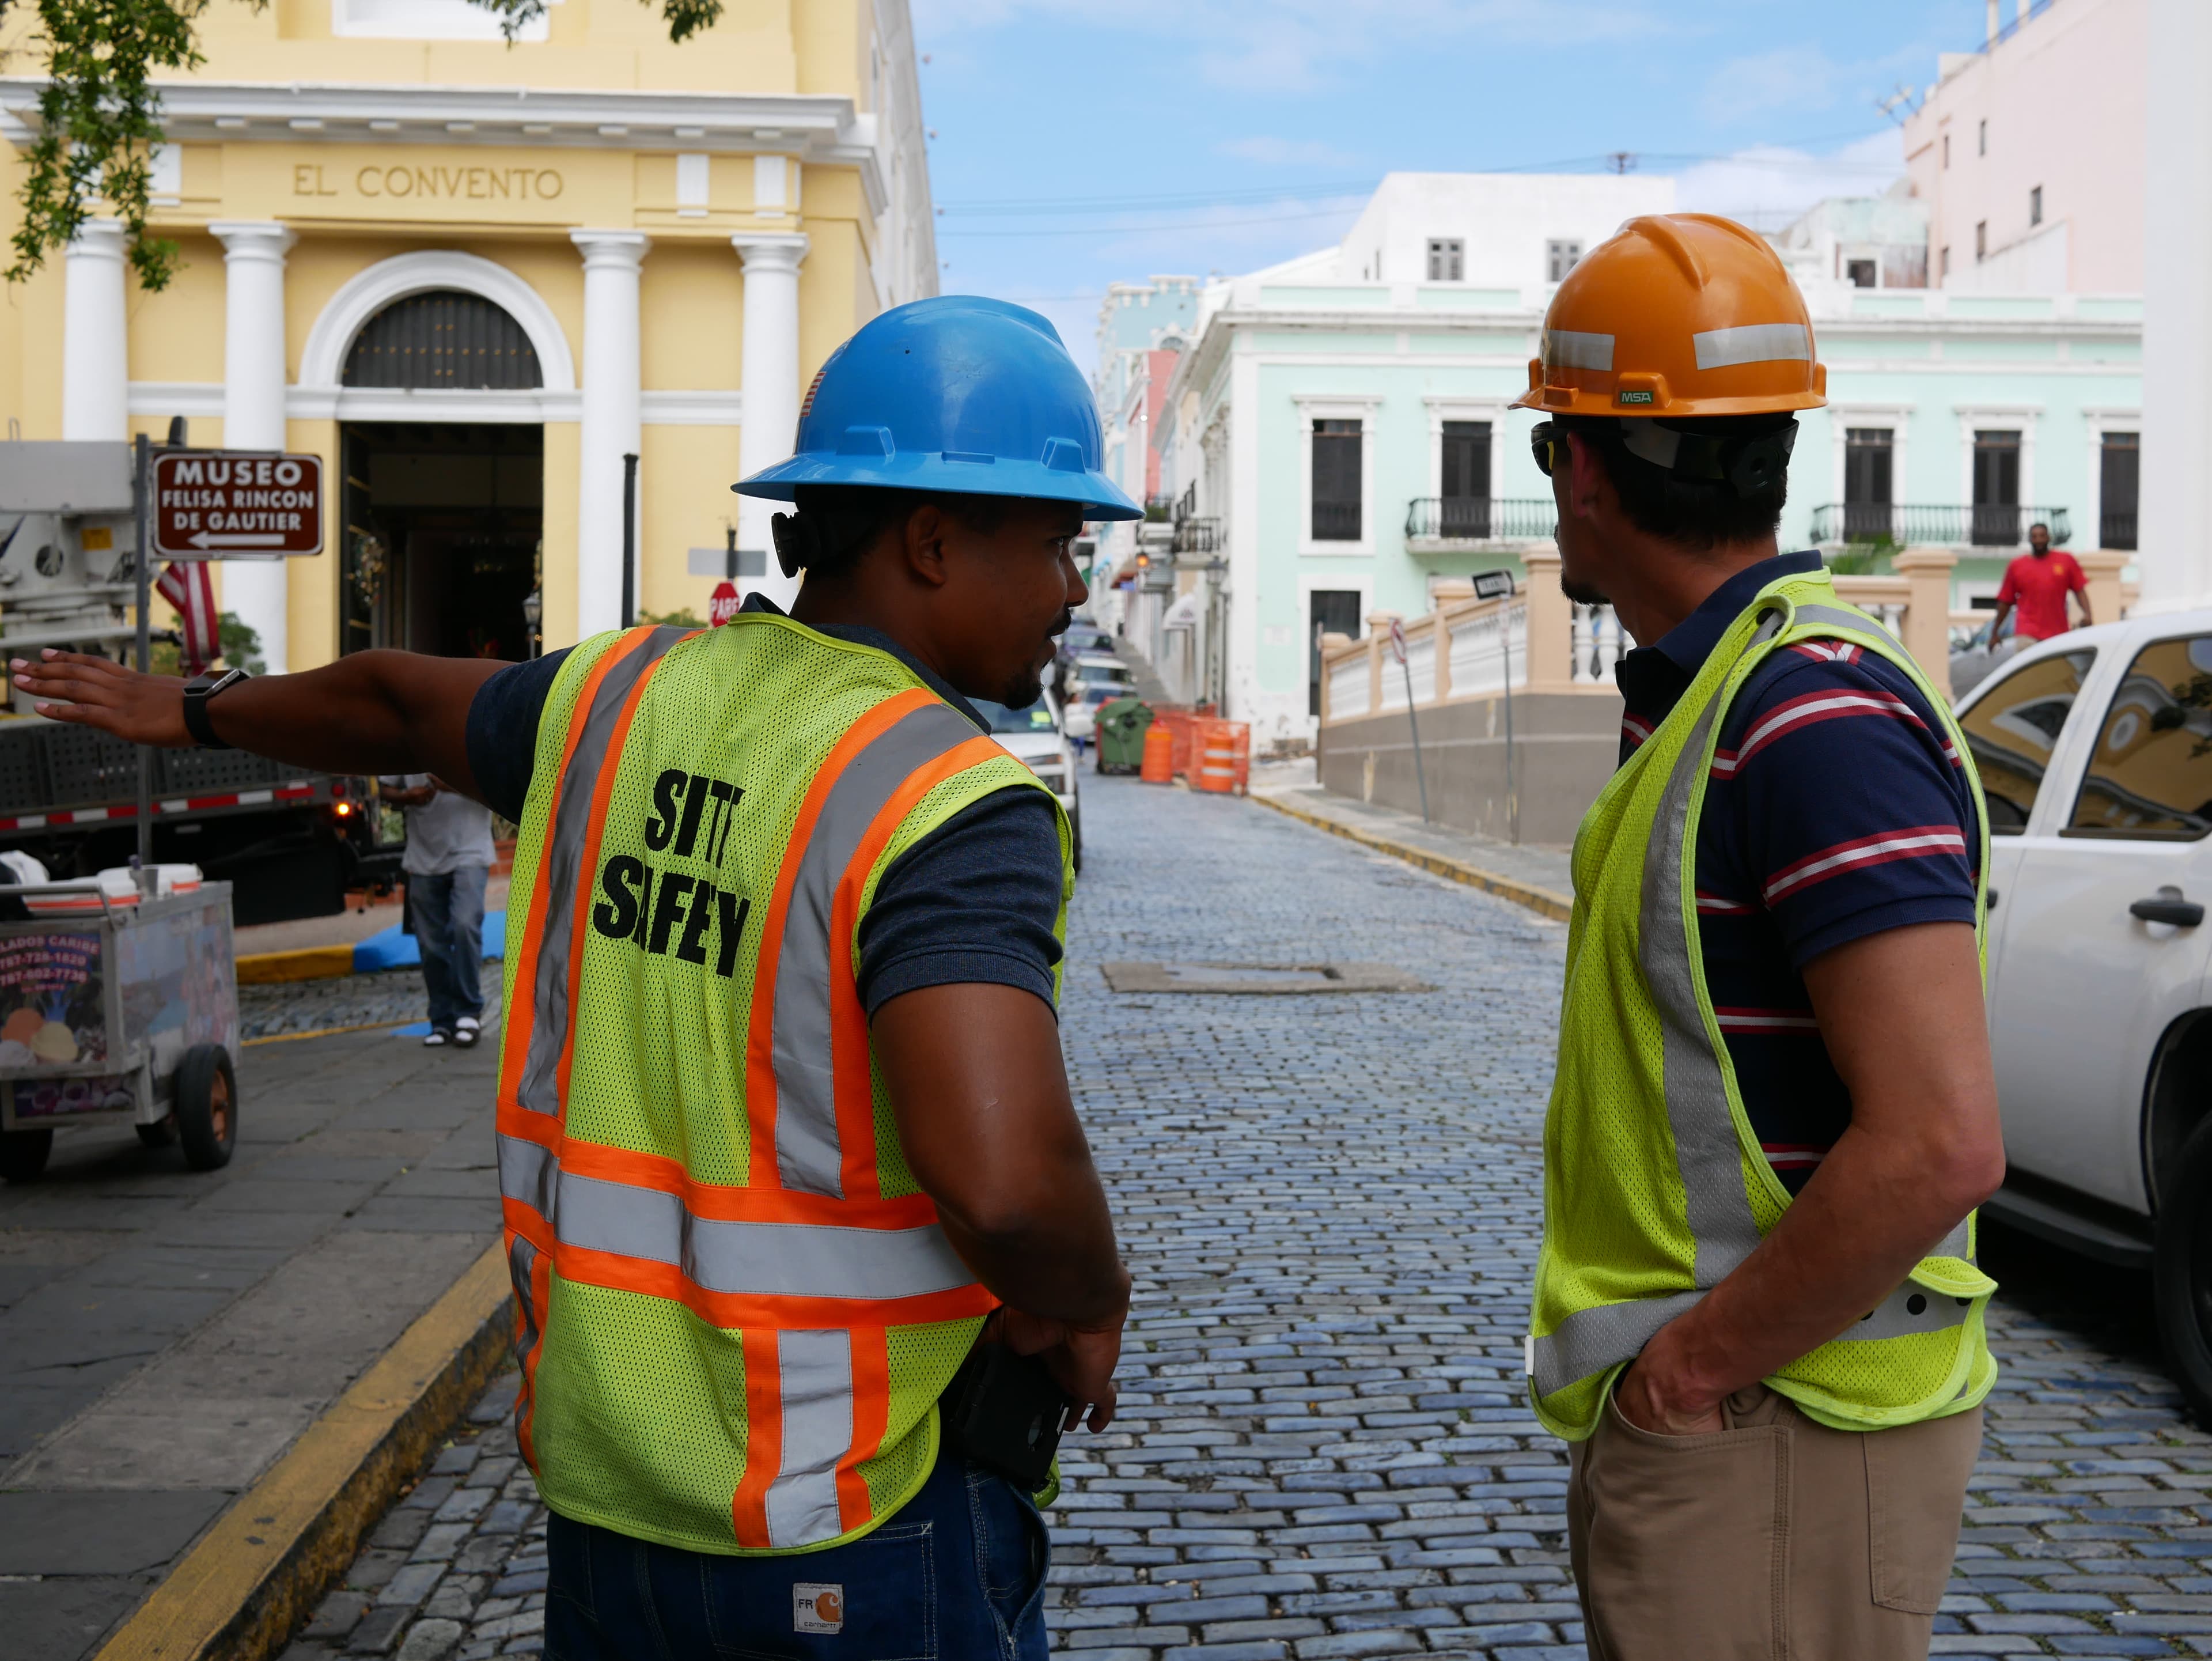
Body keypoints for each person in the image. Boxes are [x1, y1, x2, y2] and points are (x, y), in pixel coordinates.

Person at [13, 296, 1139, 1658]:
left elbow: (387, 699)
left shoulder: (610, 697)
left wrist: (189, 707)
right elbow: (1009, 1180)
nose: (1077, 586)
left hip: (608, 1496)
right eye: (1061, 542)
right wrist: (1082, 1299)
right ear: (931, 536)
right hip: (849, 1515)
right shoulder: (944, 795)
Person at [1516, 214, 2005, 1660]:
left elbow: (1937, 1139)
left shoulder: (1809, 722)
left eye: (1551, 449)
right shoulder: (1723, 699)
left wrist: (1693, 1368)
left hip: (1776, 1423)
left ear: (1587, 469)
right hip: (1750, 1424)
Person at [379, 773, 494, 1047]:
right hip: (423, 858)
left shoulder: (470, 734)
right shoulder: (411, 741)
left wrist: (456, 783)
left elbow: (499, 786)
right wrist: (407, 797)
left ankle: (468, 1012)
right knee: (431, 945)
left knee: (465, 925)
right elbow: (385, 790)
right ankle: (442, 1019)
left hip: (471, 851)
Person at [1990, 520, 2091, 644]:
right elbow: (2005, 601)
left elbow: (2079, 590)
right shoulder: (2017, 566)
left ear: (2048, 538)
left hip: (2058, 634)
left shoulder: (2066, 561)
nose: (2039, 540)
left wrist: (2088, 614)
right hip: (2027, 632)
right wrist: (1995, 632)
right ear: (2030, 540)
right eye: (2034, 537)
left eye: (2042, 536)